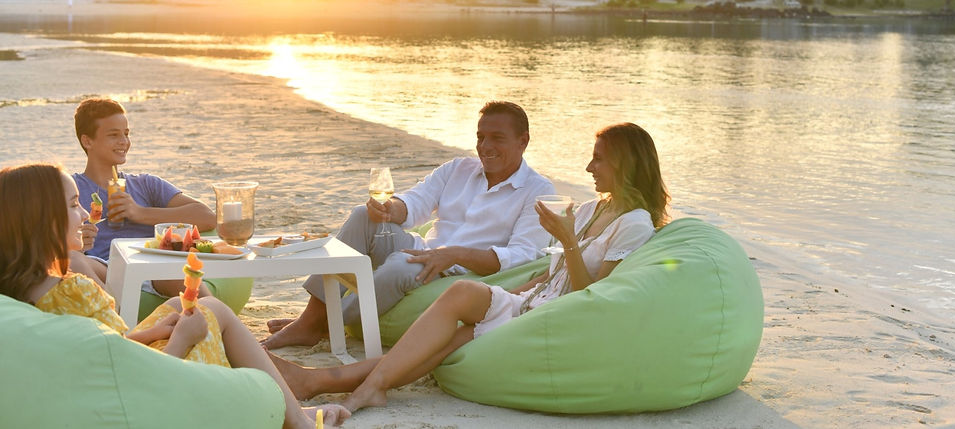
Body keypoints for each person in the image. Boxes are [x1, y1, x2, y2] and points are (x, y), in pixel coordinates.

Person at [270, 122, 670, 423]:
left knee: (443, 344)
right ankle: (332, 372)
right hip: (533, 299)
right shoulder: (592, 208)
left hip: (556, 314)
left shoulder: (633, 223)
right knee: (451, 315)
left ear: (625, 163)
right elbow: (553, 275)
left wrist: (565, 240)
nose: (588, 166)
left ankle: (331, 383)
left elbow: (593, 295)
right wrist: (515, 290)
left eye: (598, 158)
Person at [0, 163, 350, 429]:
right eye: (74, 204)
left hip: (106, 374)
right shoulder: (74, 288)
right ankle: (299, 419)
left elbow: (101, 346)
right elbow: (135, 376)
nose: (83, 214)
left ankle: (295, 401)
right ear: (43, 220)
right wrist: (181, 339)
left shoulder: (24, 290)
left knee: (188, 305)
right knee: (216, 314)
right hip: (147, 386)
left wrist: (149, 332)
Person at [263, 101, 555, 349]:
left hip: (461, 268)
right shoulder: (458, 169)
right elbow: (415, 203)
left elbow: (523, 254)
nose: (485, 146)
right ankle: (310, 319)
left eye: (497, 138)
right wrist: (389, 209)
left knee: (399, 266)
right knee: (361, 216)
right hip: (426, 249)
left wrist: (454, 254)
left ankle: (320, 324)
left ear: (523, 141)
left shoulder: (538, 191)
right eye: (480, 137)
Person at [72, 98, 215, 298]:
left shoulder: (146, 184)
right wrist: (78, 243)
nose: (124, 141)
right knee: (73, 260)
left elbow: (207, 217)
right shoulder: (71, 188)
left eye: (126, 134)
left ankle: (218, 321)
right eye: (114, 135)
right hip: (104, 270)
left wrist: (140, 213)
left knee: (177, 272)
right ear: (88, 141)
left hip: (151, 269)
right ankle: (111, 318)